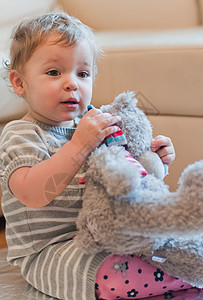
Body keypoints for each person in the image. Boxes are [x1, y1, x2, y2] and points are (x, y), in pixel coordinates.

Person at [0, 12, 190, 300]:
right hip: (52, 251)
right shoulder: (21, 133)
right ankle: (184, 276)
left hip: (104, 236)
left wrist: (154, 163)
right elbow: (32, 194)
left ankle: (182, 271)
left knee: (173, 244)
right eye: (54, 72)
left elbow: (124, 181)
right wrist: (78, 146)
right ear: (19, 83)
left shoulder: (91, 124)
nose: (72, 83)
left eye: (83, 73)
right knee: (119, 274)